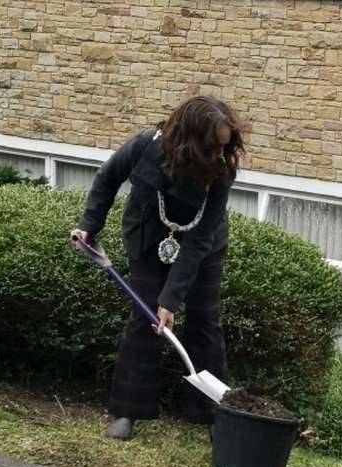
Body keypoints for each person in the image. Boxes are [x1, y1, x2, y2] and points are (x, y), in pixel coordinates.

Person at [74, 96, 245, 440]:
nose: (219, 155)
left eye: (224, 147)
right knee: (145, 320)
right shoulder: (144, 145)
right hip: (148, 234)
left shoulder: (221, 172)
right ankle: (126, 412)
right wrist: (89, 225)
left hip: (203, 244)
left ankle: (214, 417)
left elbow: (197, 242)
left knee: (204, 322)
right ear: (191, 141)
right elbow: (108, 178)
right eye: (213, 147)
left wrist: (171, 300)